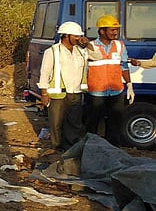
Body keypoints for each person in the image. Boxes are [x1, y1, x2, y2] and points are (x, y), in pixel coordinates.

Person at [84, 14, 139, 144]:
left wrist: (129, 85)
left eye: (116, 30)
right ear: (102, 31)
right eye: (112, 30)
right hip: (96, 91)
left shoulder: (120, 46)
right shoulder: (90, 46)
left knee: (115, 124)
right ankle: (90, 148)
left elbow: (123, 66)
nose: (115, 32)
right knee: (93, 123)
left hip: (116, 90)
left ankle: (113, 150)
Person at [37, 21, 89, 153]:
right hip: (58, 94)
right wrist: (44, 93)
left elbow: (97, 56)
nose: (79, 39)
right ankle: (58, 149)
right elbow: (45, 73)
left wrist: (87, 44)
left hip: (75, 92)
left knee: (74, 123)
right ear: (66, 36)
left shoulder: (81, 52)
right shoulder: (52, 52)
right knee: (56, 123)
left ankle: (72, 149)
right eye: (76, 36)